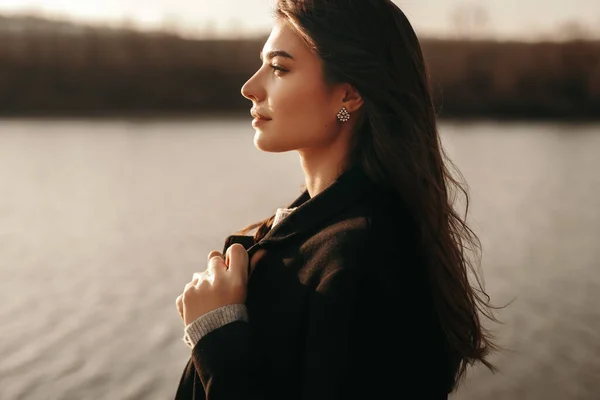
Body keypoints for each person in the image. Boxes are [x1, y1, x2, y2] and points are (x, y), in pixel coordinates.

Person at [174, 0, 498, 398]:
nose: (250, 87)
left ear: (348, 95)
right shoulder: (306, 231)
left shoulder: (364, 254)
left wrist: (216, 334)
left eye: (279, 68)